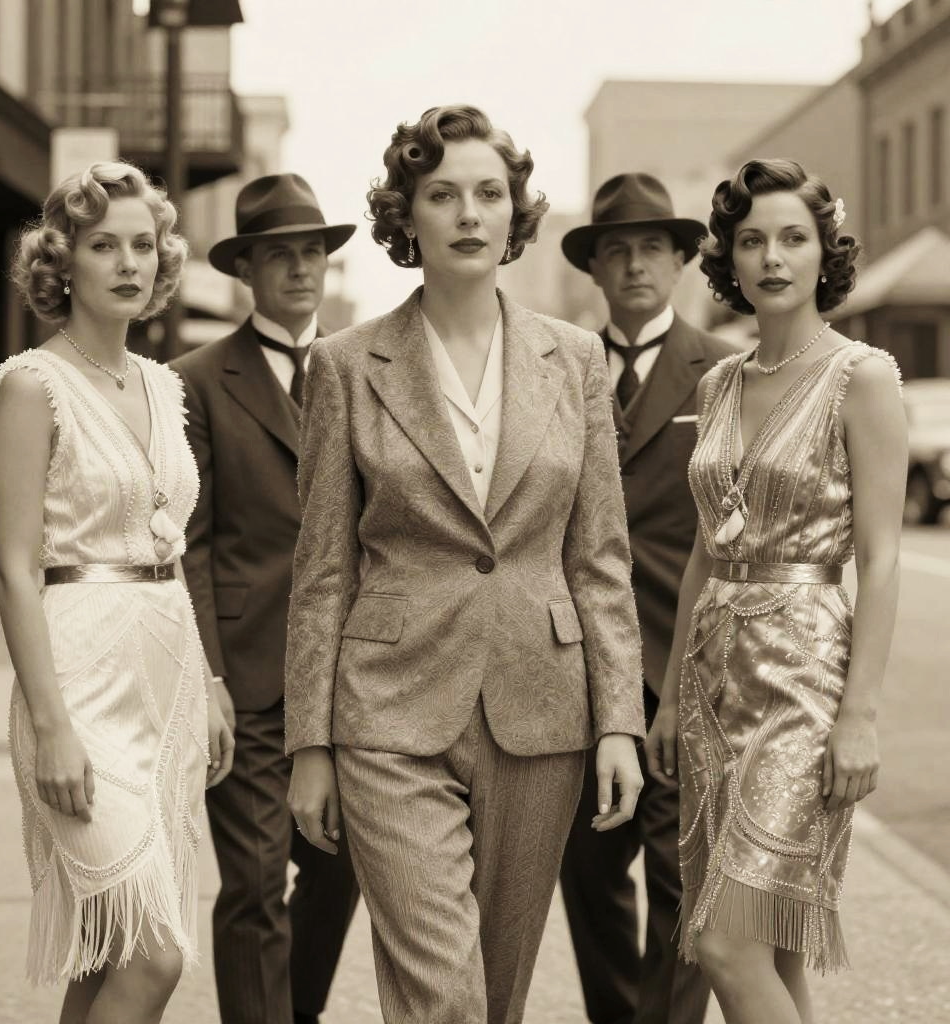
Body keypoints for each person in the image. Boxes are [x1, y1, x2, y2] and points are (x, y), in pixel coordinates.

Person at [284, 104, 646, 1024]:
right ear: (406, 214)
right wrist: (310, 744)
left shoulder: (575, 360)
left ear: (516, 213)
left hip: (543, 706)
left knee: (497, 996)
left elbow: (599, 558)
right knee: (441, 994)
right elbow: (322, 568)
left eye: (490, 193)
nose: (470, 213)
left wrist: (619, 722)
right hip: (388, 710)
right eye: (443, 194)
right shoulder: (344, 364)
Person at [646, 159, 906, 1024]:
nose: (773, 257)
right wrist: (669, 699)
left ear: (824, 252)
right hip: (712, 681)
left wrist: (859, 715)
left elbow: (882, 558)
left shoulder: (863, 377)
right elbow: (702, 549)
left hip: (805, 681)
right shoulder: (718, 382)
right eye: (752, 240)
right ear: (729, 257)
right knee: (770, 947)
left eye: (794, 238)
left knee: (726, 944)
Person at [0, 161, 234, 1024]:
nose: (129, 263)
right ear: (62, 260)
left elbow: (171, 545)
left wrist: (207, 683)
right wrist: (51, 725)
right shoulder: (30, 385)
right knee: (156, 957)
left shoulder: (163, 383)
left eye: (144, 245)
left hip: (165, 680)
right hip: (78, 685)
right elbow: (14, 568)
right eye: (103, 246)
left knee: (111, 951)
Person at [172, 173, 360, 1024]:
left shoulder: (362, 371)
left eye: (311, 252)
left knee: (337, 872)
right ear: (245, 269)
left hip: (350, 679)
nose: (299, 268)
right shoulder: (196, 381)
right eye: (279, 254)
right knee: (252, 886)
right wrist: (207, 678)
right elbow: (190, 545)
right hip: (246, 680)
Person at [558, 172, 738, 1024]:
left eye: (652, 249)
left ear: (680, 262)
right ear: (595, 267)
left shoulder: (726, 374)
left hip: (687, 668)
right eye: (617, 250)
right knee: (590, 879)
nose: (635, 265)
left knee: (680, 881)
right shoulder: (558, 369)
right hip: (578, 674)